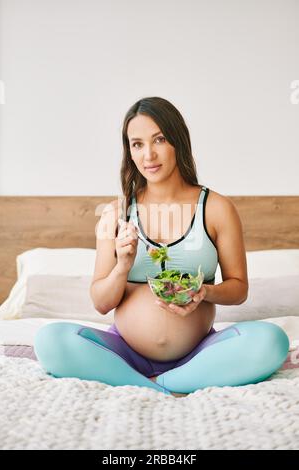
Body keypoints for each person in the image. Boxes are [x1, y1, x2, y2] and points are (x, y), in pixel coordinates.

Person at [34, 96, 289, 396]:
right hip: (125, 353)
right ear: (129, 152)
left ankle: (158, 384)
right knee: (50, 341)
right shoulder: (117, 213)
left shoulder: (217, 208)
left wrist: (205, 292)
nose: (148, 155)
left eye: (159, 140)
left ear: (178, 141)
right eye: (137, 144)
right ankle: (158, 384)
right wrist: (123, 266)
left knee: (272, 341)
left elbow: (239, 288)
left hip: (200, 353)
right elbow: (101, 302)